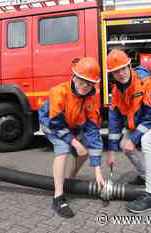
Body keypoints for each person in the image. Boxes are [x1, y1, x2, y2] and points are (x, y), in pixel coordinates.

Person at [106, 49, 151, 213]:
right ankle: (144, 175)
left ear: (129, 65)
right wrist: (112, 150)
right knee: (123, 144)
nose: (120, 74)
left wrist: (133, 139)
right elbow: (114, 121)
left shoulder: (145, 82)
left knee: (146, 141)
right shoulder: (116, 90)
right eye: (115, 71)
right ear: (112, 75)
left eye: (122, 68)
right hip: (142, 117)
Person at [38, 57, 105, 218]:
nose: (84, 86)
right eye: (82, 80)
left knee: (85, 151)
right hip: (51, 123)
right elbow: (56, 124)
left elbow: (93, 132)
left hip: (71, 125)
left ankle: (69, 180)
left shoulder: (90, 99)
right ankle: (58, 196)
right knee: (63, 149)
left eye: (89, 83)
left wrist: (97, 171)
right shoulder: (58, 92)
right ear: (74, 77)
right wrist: (75, 142)